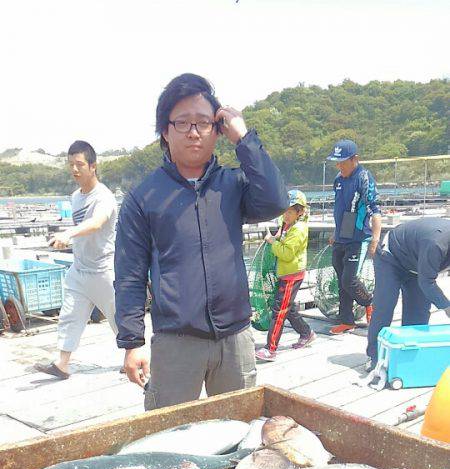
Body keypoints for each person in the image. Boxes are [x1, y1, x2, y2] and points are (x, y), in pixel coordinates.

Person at [114, 73, 288, 409]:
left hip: (235, 338)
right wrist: (132, 342)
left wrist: (244, 137)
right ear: (165, 131)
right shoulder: (143, 197)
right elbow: (130, 275)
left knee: (240, 427)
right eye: (183, 123)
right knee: (167, 436)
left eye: (204, 122)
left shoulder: (233, 184)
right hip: (176, 340)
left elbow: (275, 201)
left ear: (217, 130)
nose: (194, 131)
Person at [35, 141, 118, 379]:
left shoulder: (104, 197)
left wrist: (67, 234)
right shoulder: (75, 197)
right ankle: (62, 363)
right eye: (71, 164)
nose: (75, 170)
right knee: (70, 315)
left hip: (104, 269)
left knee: (119, 318)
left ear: (93, 166)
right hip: (80, 269)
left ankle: (132, 356)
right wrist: (67, 241)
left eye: (79, 164)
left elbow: (96, 223)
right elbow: (82, 230)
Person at [367, 217, 450, 369]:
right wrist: (446, 306)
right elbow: (427, 283)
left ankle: (410, 355)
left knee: (419, 311)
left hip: (416, 263)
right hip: (390, 256)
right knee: (385, 306)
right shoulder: (436, 244)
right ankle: (375, 356)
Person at [326, 139, 382, 335]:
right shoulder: (338, 180)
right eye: (337, 162)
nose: (339, 165)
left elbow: (374, 209)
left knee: (349, 279)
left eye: (342, 161)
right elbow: (339, 208)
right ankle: (347, 320)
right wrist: (335, 232)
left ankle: (370, 304)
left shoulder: (364, 177)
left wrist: (375, 239)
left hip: (357, 236)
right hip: (341, 235)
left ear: (354, 159)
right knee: (341, 279)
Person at [255, 189, 315, 361]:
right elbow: (281, 241)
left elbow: (287, 254)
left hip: (291, 275)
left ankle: (270, 348)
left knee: (279, 311)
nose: (286, 215)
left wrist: (273, 242)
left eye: (290, 211)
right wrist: (276, 238)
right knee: (287, 308)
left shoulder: (299, 229)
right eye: (284, 211)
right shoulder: (286, 224)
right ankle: (307, 333)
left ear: (300, 211)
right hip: (285, 273)